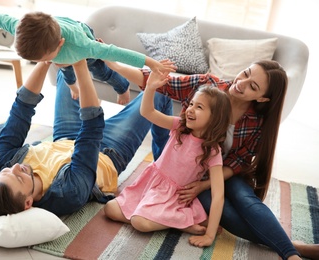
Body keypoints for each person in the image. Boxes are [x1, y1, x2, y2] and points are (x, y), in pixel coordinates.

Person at [103, 59, 301, 259]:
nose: (242, 83)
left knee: (245, 200)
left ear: (263, 98)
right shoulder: (204, 93)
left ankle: (290, 250)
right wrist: (113, 63)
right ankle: (284, 244)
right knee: (225, 212)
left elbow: (239, 163)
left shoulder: (255, 123)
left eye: (253, 86)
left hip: (219, 173)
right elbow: (160, 84)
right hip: (184, 175)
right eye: (246, 73)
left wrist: (204, 186)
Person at [0, 59, 175, 220]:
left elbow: (21, 110)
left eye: (7, 171)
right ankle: (165, 168)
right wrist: (80, 65)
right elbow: (91, 129)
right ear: (28, 203)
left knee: (64, 66)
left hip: (65, 138)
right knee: (160, 91)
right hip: (106, 151)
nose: (16, 167)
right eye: (19, 178)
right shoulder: (67, 193)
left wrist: (46, 59)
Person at [104, 70, 231, 247]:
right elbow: (147, 112)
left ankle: (181, 221)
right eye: (192, 104)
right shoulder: (179, 126)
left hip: (172, 198)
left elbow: (218, 195)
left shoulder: (212, 151)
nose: (191, 110)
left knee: (139, 222)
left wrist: (209, 235)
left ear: (215, 119)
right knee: (109, 209)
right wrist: (150, 88)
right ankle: (178, 225)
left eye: (199, 107)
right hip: (150, 184)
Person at [0, 9, 170, 105]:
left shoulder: (83, 45)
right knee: (64, 70)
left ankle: (121, 87)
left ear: (59, 44)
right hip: (60, 48)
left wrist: (151, 63)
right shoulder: (21, 25)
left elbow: (117, 52)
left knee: (101, 71)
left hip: (81, 37)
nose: (41, 64)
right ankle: (73, 86)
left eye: (43, 58)